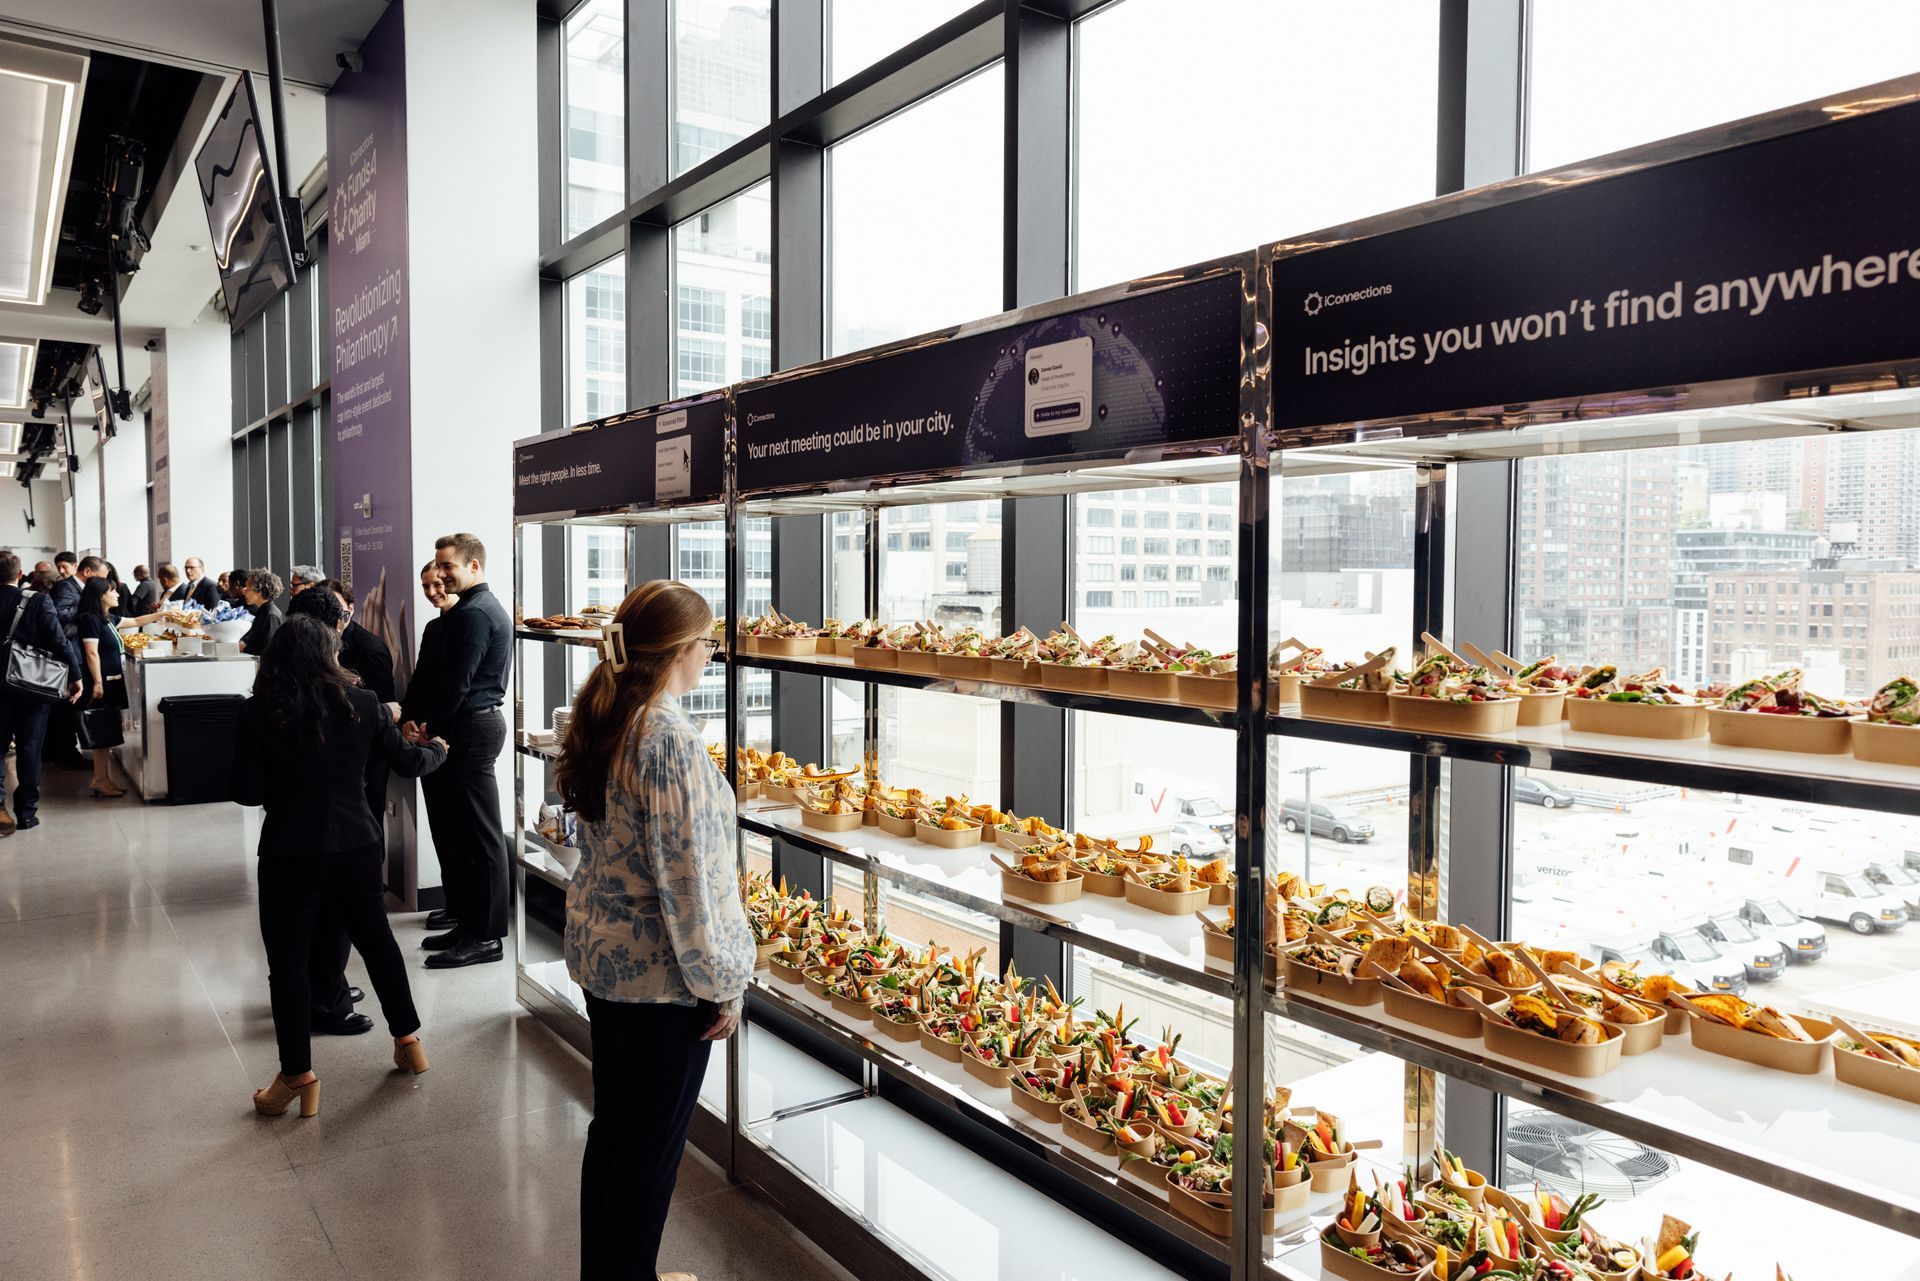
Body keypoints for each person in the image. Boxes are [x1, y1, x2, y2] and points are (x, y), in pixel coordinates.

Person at [557, 580, 750, 1281]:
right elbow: (690, 880)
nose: (710, 655)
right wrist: (724, 981)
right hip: (662, 984)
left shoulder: (610, 716)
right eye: (707, 643)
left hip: (606, 964)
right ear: (677, 649)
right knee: (648, 1157)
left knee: (615, 1135)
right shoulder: (668, 740)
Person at [231, 616, 450, 1118]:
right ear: (330, 655)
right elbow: (410, 763)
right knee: (377, 943)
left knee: (288, 963)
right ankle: (409, 1041)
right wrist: (438, 749)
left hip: (289, 851)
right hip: (356, 844)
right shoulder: (365, 703)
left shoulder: (257, 711)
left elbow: (246, 791)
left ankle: (296, 1077)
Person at [404, 534, 511, 970]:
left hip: (471, 728)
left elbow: (457, 684)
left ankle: (486, 937)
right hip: (462, 725)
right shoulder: (467, 611)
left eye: (448, 566)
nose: (442, 574)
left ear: (474, 567)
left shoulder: (475, 613)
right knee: (459, 835)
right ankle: (468, 923)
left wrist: (431, 728)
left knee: (480, 837)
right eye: (439, 565)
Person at [0, 551, 85, 832]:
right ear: (20, 573)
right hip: (31, 685)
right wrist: (75, 675)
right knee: (30, 748)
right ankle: (26, 812)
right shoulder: (37, 600)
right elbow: (59, 641)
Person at [401, 561, 460, 933]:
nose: (432, 591)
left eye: (437, 583)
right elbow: (421, 679)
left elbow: (457, 689)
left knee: (457, 829)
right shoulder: (434, 628)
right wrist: (408, 718)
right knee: (440, 825)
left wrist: (431, 726)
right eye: (425, 586)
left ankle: (462, 907)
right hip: (427, 737)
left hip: (448, 737)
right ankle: (453, 903)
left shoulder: (467, 624)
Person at [46, 556, 103, 770]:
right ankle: (66, 753)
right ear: (87, 572)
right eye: (100, 577)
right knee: (68, 705)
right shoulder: (66, 587)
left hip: (73, 650)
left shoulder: (75, 588)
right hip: (69, 651)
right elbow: (57, 614)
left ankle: (62, 751)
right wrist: (86, 609)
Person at [75, 577, 128, 798]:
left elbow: (134, 621)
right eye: (112, 591)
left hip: (111, 681)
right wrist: (97, 682)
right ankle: (100, 779)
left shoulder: (106, 618)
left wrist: (164, 615)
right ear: (100, 596)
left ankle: (102, 778)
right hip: (102, 682)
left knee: (107, 730)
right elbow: (91, 653)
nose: (117, 594)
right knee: (101, 730)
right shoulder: (90, 620)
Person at [238, 569, 285, 655]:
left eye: (247, 589)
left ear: (259, 591)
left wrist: (245, 648)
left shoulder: (270, 615)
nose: (244, 593)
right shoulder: (264, 611)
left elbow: (270, 651)